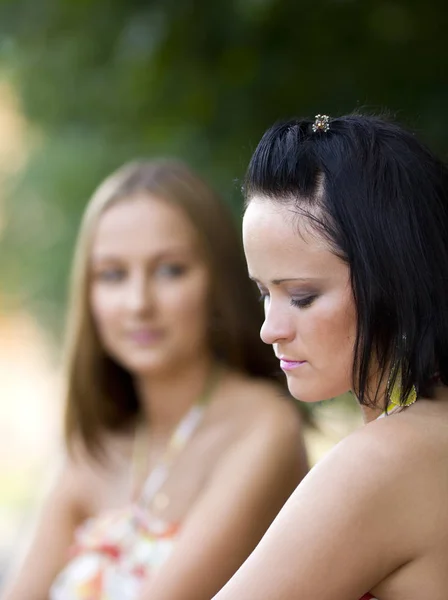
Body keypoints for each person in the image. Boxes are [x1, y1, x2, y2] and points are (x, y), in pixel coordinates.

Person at [3, 159, 308, 600]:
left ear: (219, 278)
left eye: (169, 270)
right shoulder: (94, 448)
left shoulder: (263, 428)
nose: (138, 303)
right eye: (112, 275)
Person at [213, 114, 448, 600]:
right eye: (263, 293)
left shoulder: (387, 461)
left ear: (394, 282)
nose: (268, 329)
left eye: (300, 297)